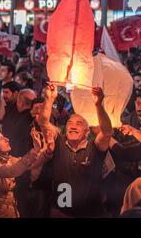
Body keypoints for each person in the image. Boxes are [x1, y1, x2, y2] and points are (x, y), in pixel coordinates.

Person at [38, 84, 113, 217]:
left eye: (79, 124)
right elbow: (44, 122)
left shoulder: (94, 147)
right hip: (60, 212)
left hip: (89, 214)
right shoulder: (58, 142)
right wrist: (49, 99)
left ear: (87, 132)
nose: (73, 126)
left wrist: (98, 105)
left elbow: (107, 132)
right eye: (70, 123)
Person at [0, 127, 44, 218]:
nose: (7, 139)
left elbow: (29, 164)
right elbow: (12, 170)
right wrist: (33, 153)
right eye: (1, 138)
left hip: (10, 210)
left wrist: (39, 150)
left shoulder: (6, 159)